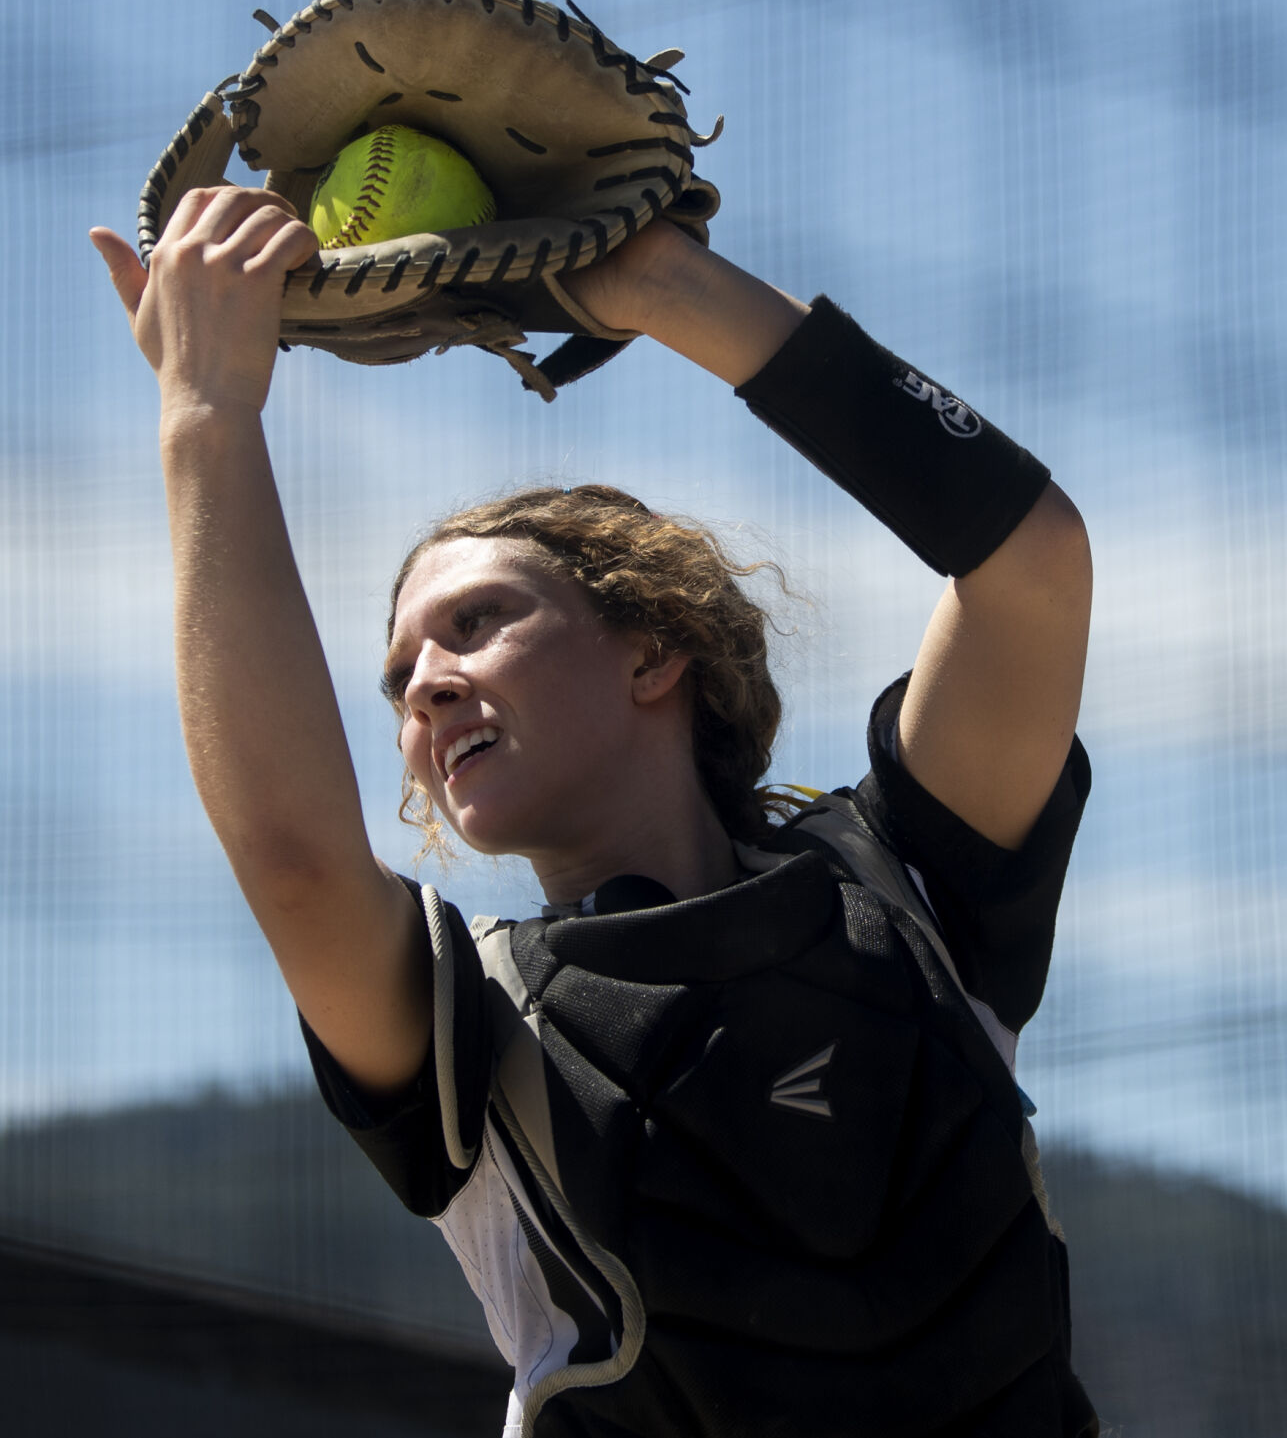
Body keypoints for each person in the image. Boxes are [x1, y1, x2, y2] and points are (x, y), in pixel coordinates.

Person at [92, 186, 1096, 1438]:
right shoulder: (473, 1024)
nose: (428, 687)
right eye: (403, 678)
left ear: (651, 648)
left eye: (477, 623)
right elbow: (295, 858)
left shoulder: (906, 884)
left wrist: (666, 288)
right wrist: (204, 412)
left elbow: (1031, 566)